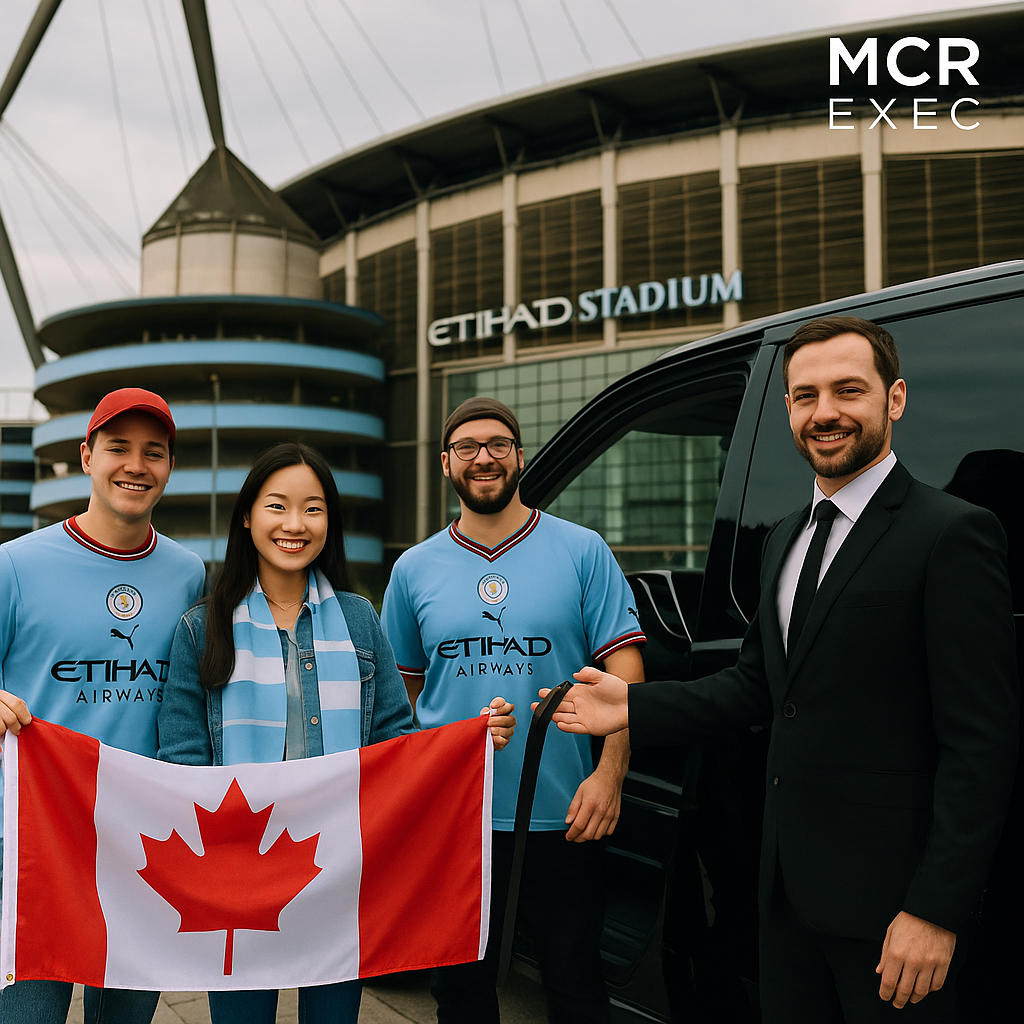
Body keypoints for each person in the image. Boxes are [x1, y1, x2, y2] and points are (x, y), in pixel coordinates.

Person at [543, 317, 1019, 1023]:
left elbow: (981, 745)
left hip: (893, 912)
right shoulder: (785, 539)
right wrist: (629, 708)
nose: (824, 412)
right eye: (805, 396)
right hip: (784, 897)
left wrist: (934, 909)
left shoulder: (951, 534)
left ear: (895, 400)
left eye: (848, 391)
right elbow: (757, 686)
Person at [157, 441, 515, 1024]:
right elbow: (181, 759)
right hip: (239, 873)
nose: (294, 525)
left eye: (313, 508)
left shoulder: (358, 618)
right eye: (277, 506)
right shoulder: (202, 628)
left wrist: (465, 742)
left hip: (339, 870)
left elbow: (394, 740)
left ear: (331, 521)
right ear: (247, 516)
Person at [381, 397, 646, 1024]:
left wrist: (610, 776)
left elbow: (627, 675)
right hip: (455, 821)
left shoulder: (582, 551)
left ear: (520, 456)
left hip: (565, 816)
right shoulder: (413, 570)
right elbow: (403, 695)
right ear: (446, 463)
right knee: (461, 995)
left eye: (498, 444)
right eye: (467, 447)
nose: (484, 457)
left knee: (575, 984)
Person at [0, 387, 206, 1024]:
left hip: (139, 851)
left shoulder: (189, 573)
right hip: (36, 850)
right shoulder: (15, 565)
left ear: (170, 468)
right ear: (87, 457)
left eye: (155, 453)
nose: (136, 466)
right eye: (118, 448)